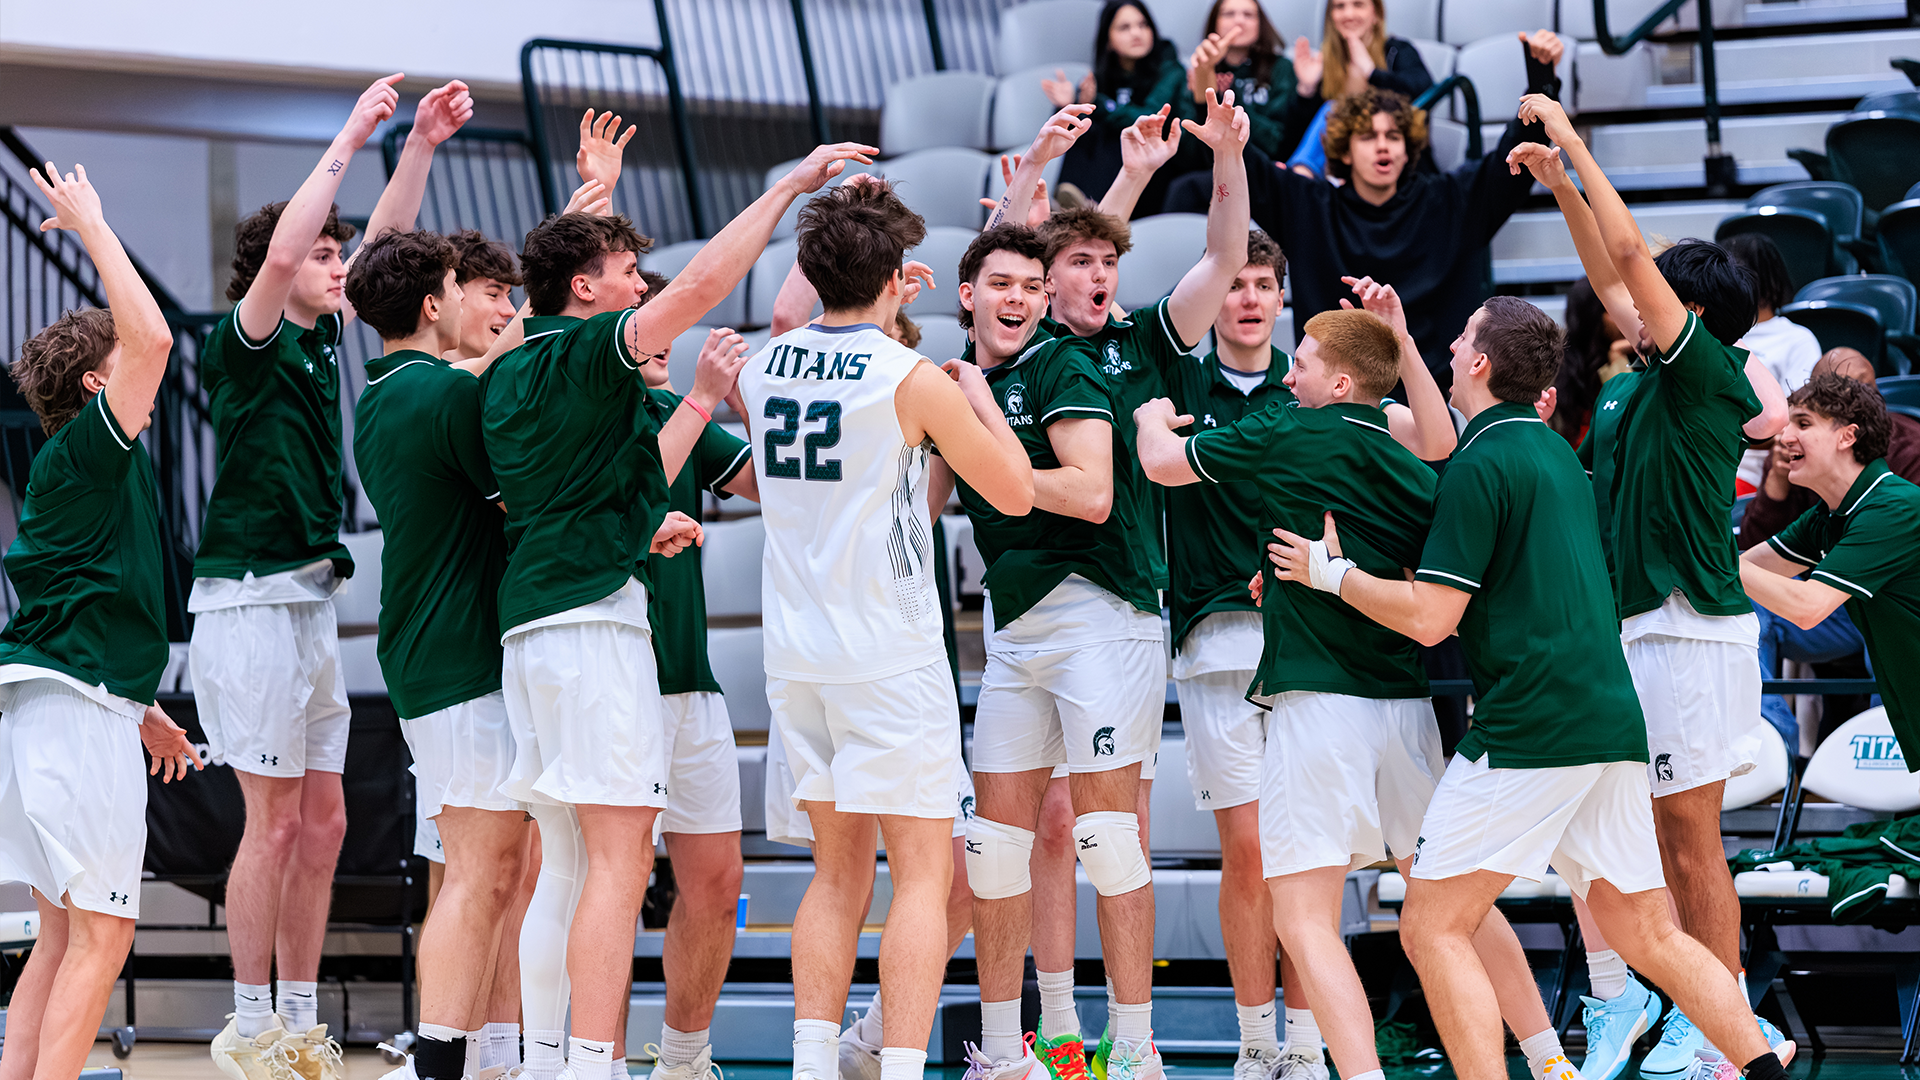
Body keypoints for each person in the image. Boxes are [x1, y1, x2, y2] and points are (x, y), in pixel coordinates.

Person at [1263, 295, 1795, 1080]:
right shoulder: (1553, 453)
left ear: (1480, 365)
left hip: (1530, 726)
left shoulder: (1481, 464)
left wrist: (1330, 575)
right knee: (1648, 930)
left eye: (1459, 339)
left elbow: (1432, 620)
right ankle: (1762, 1066)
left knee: (1432, 929)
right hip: (1610, 721)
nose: (1447, 348)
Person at [482, 137, 875, 1080]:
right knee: (616, 867)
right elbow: (702, 285)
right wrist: (786, 187)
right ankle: (589, 1065)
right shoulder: (587, 356)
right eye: (624, 275)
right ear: (583, 291)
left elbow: (597, 494)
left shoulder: (501, 367)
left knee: (570, 868)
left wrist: (595, 203)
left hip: (535, 627)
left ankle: (551, 1063)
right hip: (593, 627)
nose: (640, 289)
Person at [1139, 303, 1577, 1080]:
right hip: (1408, 712)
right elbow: (1414, 580)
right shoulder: (1418, 471)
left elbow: (1163, 467)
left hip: (1319, 707)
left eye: (1301, 361)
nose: (1288, 371)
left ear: (1341, 382)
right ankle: (1547, 1058)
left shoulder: (1291, 429)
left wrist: (1147, 418)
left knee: (1303, 918)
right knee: (1452, 905)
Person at [969, 90, 1250, 1080]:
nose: (1098, 275)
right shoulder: (1010, 355)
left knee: (1103, 833)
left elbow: (1219, 260)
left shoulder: (1138, 343)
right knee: (1000, 842)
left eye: (1108, 263)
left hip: (1112, 605)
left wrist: (1222, 158)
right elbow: (998, 268)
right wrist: (1056, 162)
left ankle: (1134, 1047)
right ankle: (1011, 1048)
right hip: (1017, 621)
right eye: (1076, 264)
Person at [196, 75, 472, 1080]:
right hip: (249, 599)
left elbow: (383, 256)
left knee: (327, 820)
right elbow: (282, 252)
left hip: (310, 601)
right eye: (324, 251)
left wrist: (423, 147)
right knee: (270, 825)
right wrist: (355, 132)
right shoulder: (250, 338)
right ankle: (248, 1019)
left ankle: (300, 1018)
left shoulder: (322, 340)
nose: (334, 264)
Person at [1517, 94, 1794, 1078]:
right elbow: (1611, 272)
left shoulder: (1709, 371)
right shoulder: (1634, 378)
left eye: (1652, 302)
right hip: (1634, 631)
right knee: (1642, 845)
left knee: (1689, 843)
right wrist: (1560, 191)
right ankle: (1693, 1010)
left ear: (1692, 315)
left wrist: (1575, 144)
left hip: (1689, 633)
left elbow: (1632, 263)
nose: (1623, 308)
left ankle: (1725, 1036)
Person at [736, 181, 1033, 1080]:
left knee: (835, 874)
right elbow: (1014, 492)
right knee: (921, 876)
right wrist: (976, 400)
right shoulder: (908, 379)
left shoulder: (761, 365)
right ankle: (900, 1068)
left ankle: (813, 1066)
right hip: (889, 653)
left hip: (795, 655)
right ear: (904, 279)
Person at [1153, 248, 1454, 1080]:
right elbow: (1437, 455)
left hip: (1323, 670)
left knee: (1308, 891)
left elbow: (1435, 439)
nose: (1248, 300)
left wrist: (1148, 427)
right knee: (1281, 862)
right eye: (1234, 284)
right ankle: (1262, 1044)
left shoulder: (1310, 410)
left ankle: (1322, 1054)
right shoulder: (1209, 389)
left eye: (1263, 286)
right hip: (1279, 655)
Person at [0, 161, 200, 1080]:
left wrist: (139, 702)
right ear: (92, 385)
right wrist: (92, 226)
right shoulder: (88, 446)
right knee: (105, 934)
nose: (142, 377)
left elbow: (82, 602)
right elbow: (152, 336)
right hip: (72, 719)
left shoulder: (79, 470)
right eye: (117, 368)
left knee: (61, 932)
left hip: (59, 704)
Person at [345, 229, 528, 1080]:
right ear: (433, 303)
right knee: (479, 875)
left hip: (433, 656)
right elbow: (522, 492)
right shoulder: (442, 397)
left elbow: (470, 379)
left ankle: (491, 1055)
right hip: (458, 660)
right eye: (465, 287)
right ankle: (442, 1063)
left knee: (496, 872)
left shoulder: (385, 394)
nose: (477, 303)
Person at [1223, 36, 1565, 391]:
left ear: (1407, 149)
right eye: (1368, 137)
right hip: (1335, 400)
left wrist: (1541, 82)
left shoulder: (1448, 201)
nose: (1383, 145)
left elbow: (1511, 162)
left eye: (1393, 136)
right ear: (1345, 151)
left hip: (1435, 397)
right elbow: (1247, 166)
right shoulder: (1309, 207)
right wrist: (1211, 102)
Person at [635, 299, 761, 1080]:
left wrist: (744, 403)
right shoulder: (563, 405)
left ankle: (683, 1061)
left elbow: (771, 484)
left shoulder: (670, 407)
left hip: (690, 682)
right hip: (605, 678)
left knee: (717, 886)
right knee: (599, 888)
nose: (663, 348)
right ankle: (586, 1060)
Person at [1740, 374, 1920, 764]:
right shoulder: (1825, 517)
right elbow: (1738, 571)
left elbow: (1807, 608)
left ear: (1847, 436)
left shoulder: (1894, 507)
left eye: (1802, 424)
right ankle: (1775, 759)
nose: (1784, 436)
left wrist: (1699, 549)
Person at [1043, 1, 1191, 213]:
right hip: (1119, 172)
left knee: (1116, 129)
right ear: (1108, 41)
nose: (1136, 33)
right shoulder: (1103, 76)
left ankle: (1083, 209)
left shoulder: (1171, 69)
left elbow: (1148, 118)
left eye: (1143, 25)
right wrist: (1071, 102)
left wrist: (1098, 104)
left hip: (1159, 168)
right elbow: (1094, 109)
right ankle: (1069, 203)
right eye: (1124, 28)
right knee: (1079, 117)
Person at [1161, 0, 1298, 210]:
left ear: (1261, 23)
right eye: (1229, 14)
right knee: (1184, 189)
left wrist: (1229, 95)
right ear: (1214, 23)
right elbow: (1190, 152)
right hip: (1213, 171)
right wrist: (1205, 82)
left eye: (1248, 14)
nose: (1239, 21)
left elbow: (1275, 142)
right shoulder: (1199, 69)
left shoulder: (1280, 67)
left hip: (1264, 169)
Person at [1281, 0, 1434, 177]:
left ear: (1375, 14)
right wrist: (1306, 90)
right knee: (1331, 111)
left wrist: (1372, 73)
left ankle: (1299, 178)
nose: (1348, 14)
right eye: (1340, 7)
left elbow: (1424, 91)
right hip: (1335, 170)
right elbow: (1291, 142)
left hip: (1395, 164)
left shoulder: (1396, 51)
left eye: (1358, 5)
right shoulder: (1325, 63)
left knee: (1334, 108)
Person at [1722, 233, 1823, 494]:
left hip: (1753, 473)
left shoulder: (1797, 339)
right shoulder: (1714, 335)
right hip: (1706, 464)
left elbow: (1791, 423)